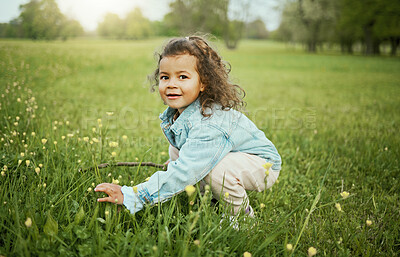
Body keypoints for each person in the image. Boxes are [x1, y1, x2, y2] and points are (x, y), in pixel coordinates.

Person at [95, 36, 281, 218]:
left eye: (183, 76)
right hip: (235, 157)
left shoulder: (210, 123)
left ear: (203, 83)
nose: (172, 84)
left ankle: (241, 216)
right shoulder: (184, 113)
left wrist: (134, 195)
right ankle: (212, 200)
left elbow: (188, 169)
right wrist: (178, 165)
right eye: (165, 77)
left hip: (264, 165)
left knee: (215, 170)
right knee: (178, 151)